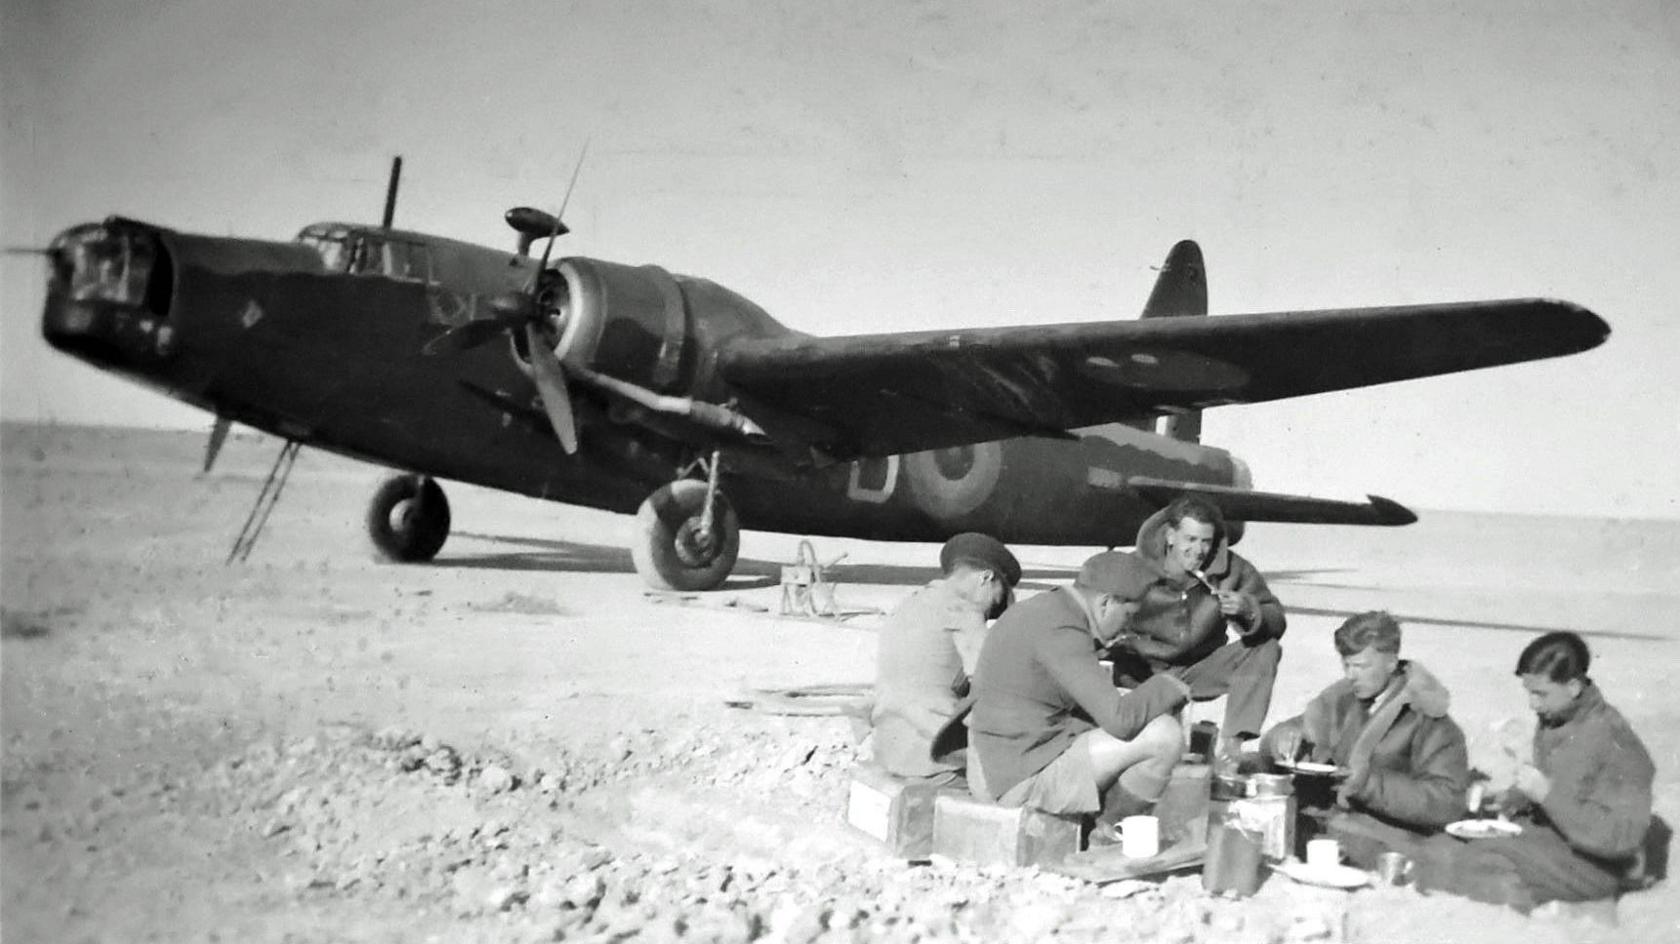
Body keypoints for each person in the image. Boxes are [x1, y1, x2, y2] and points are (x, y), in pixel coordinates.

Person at [966, 551, 1190, 819]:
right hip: (1016, 780)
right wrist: (1171, 686)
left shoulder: (1046, 608)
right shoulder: (1064, 629)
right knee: (1164, 735)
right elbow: (1120, 721)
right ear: (1106, 603)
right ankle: (1108, 834)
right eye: (1129, 616)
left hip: (999, 762)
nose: (1128, 628)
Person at [1449, 631, 1656, 911]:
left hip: (1598, 865)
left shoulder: (1614, 739)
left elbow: (1621, 838)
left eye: (1540, 694)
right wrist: (1516, 797)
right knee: (1456, 844)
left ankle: (1580, 913)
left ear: (1572, 687)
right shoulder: (1557, 719)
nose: (1532, 704)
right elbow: (1566, 786)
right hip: (1557, 842)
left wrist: (1545, 794)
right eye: (1529, 692)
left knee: (1478, 861)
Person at [1259, 611, 1470, 867]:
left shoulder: (1427, 717)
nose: (1350, 675)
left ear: (1391, 663)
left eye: (1360, 666)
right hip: (1330, 820)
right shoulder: (1342, 698)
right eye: (1346, 665)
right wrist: (1282, 739)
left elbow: (1447, 802)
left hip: (1383, 833)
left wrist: (1368, 784)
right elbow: (1300, 728)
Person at [1112, 496, 1286, 752]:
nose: (1199, 550)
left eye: (1206, 541)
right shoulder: (1131, 567)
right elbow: (1093, 611)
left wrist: (1248, 609)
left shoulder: (1232, 570)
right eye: (1190, 540)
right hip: (1140, 672)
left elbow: (1275, 618)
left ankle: (1232, 748)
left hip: (1197, 670)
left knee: (1265, 648)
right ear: (1171, 536)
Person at [868, 532, 1021, 785]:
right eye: (997, 599)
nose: (991, 611)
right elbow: (996, 687)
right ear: (986, 578)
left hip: (888, 745)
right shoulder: (964, 611)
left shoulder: (911, 603)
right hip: (931, 757)